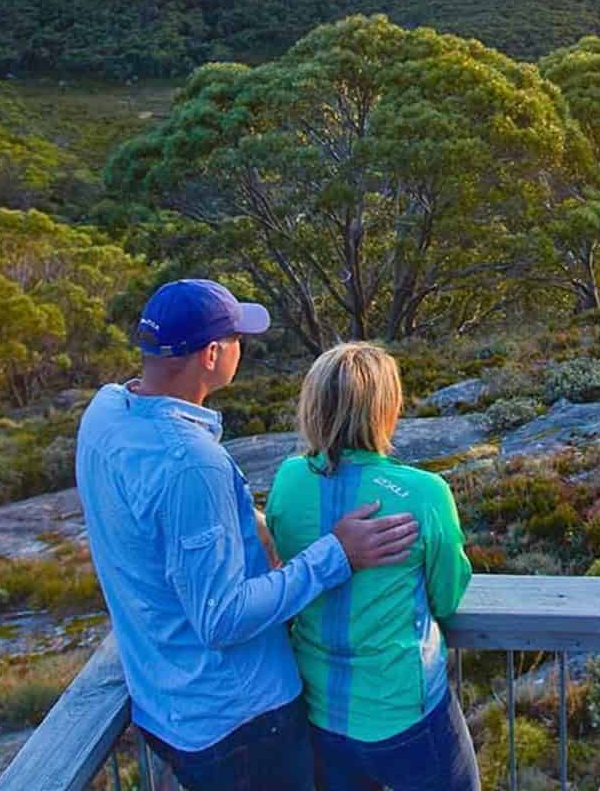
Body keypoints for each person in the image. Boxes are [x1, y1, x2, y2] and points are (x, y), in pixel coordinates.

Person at [75, 280, 419, 791]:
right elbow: (223, 617)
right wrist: (337, 553)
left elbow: (156, 526)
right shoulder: (191, 463)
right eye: (237, 338)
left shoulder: (105, 415)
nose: (242, 348)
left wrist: (243, 520)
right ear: (212, 354)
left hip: (167, 700)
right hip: (238, 722)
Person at [266, 342, 480, 791]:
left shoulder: (288, 480)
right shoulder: (424, 493)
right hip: (406, 711)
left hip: (319, 710)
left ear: (315, 404)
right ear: (386, 407)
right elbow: (447, 593)